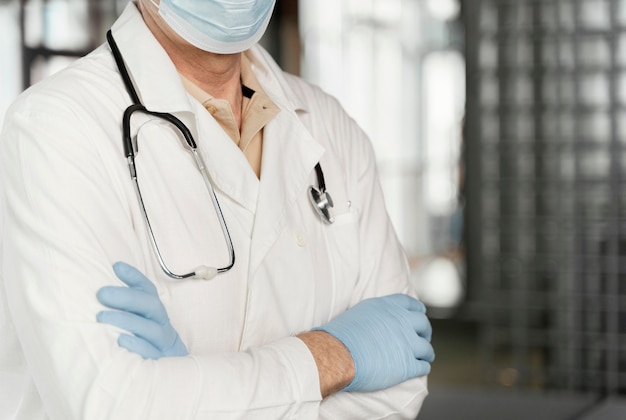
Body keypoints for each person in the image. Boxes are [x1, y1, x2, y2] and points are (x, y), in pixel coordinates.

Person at [0, 0, 435, 418]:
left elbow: (402, 391)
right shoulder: (55, 129)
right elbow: (111, 406)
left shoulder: (330, 125)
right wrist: (333, 358)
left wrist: (190, 392)